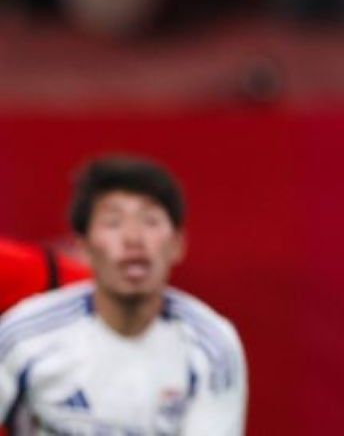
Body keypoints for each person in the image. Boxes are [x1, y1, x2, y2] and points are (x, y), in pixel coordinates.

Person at [0, 156, 245, 433]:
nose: (133, 238)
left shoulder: (211, 344)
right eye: (113, 222)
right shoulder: (22, 335)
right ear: (83, 248)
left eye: (150, 221)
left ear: (178, 244)